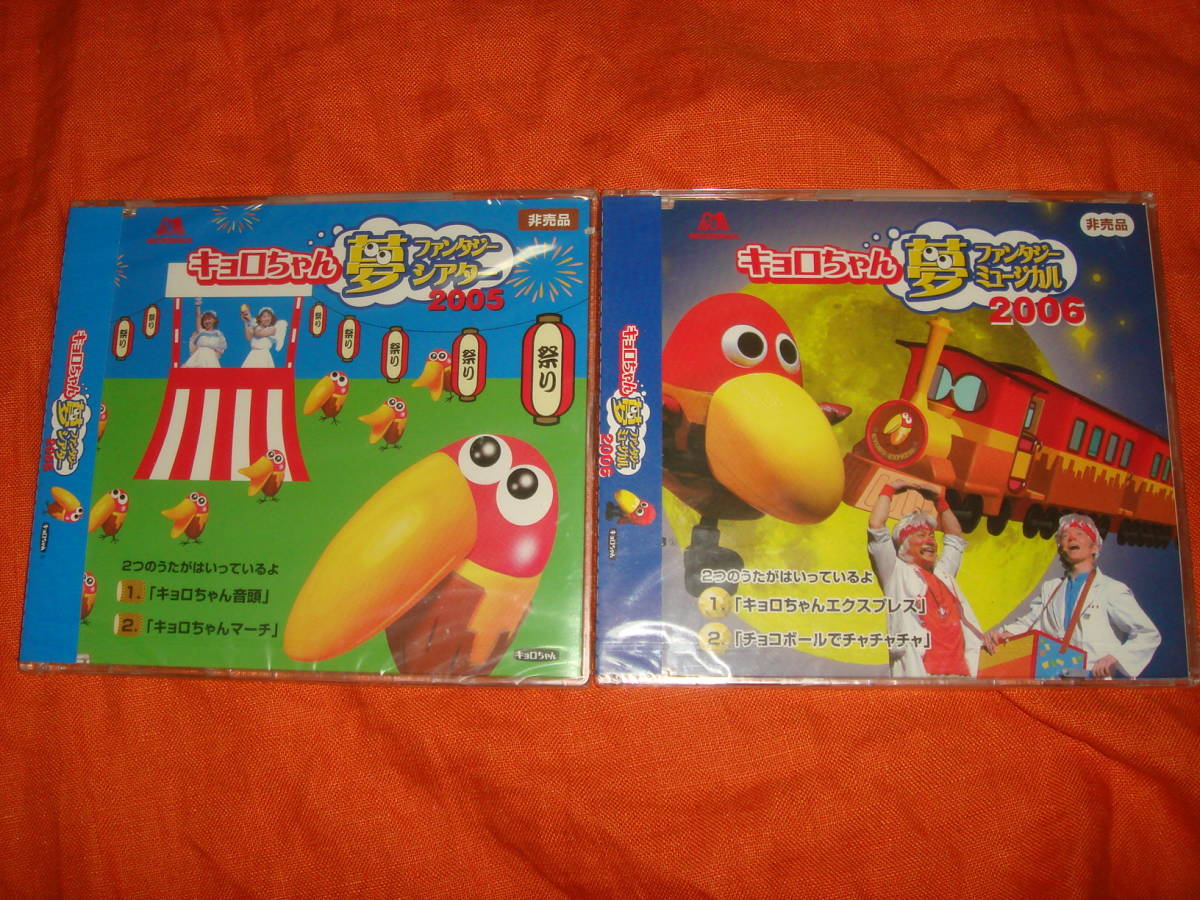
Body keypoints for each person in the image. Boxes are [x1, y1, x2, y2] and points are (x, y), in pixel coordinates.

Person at [985, 513, 1160, 678]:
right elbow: (1029, 622)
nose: (1071, 538)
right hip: (1051, 680)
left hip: (1091, 682)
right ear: (1061, 549)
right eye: (1065, 536)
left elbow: (1148, 633)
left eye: (1079, 534)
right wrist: (1004, 634)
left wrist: (1116, 657)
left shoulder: (1111, 589)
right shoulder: (1051, 588)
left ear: (1094, 547)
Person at [867, 482, 985, 677]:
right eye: (921, 535)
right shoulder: (895, 572)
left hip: (961, 677)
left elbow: (955, 537)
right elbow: (876, 526)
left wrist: (940, 502)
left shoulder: (943, 572)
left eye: (932, 536)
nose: (930, 541)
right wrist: (889, 488)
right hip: (921, 677)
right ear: (904, 544)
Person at [183, 299, 226, 368]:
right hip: (199, 357)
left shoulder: (218, 334)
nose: (207, 321)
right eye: (205, 320)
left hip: (211, 358)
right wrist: (198, 305)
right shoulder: (201, 331)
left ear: (214, 320)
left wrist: (215, 356)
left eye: (209, 319)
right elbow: (198, 316)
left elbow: (221, 348)